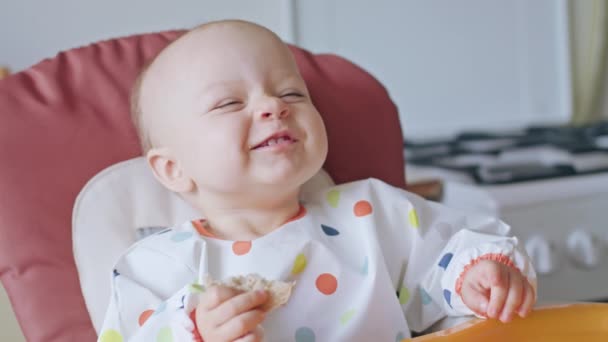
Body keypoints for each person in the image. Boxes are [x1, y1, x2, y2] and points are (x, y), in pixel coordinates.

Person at [98, 20, 537, 342]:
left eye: (291, 93)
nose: (273, 105)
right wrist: (193, 329)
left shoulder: (374, 214)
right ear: (173, 169)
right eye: (230, 103)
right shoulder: (156, 267)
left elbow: (450, 257)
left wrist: (477, 275)